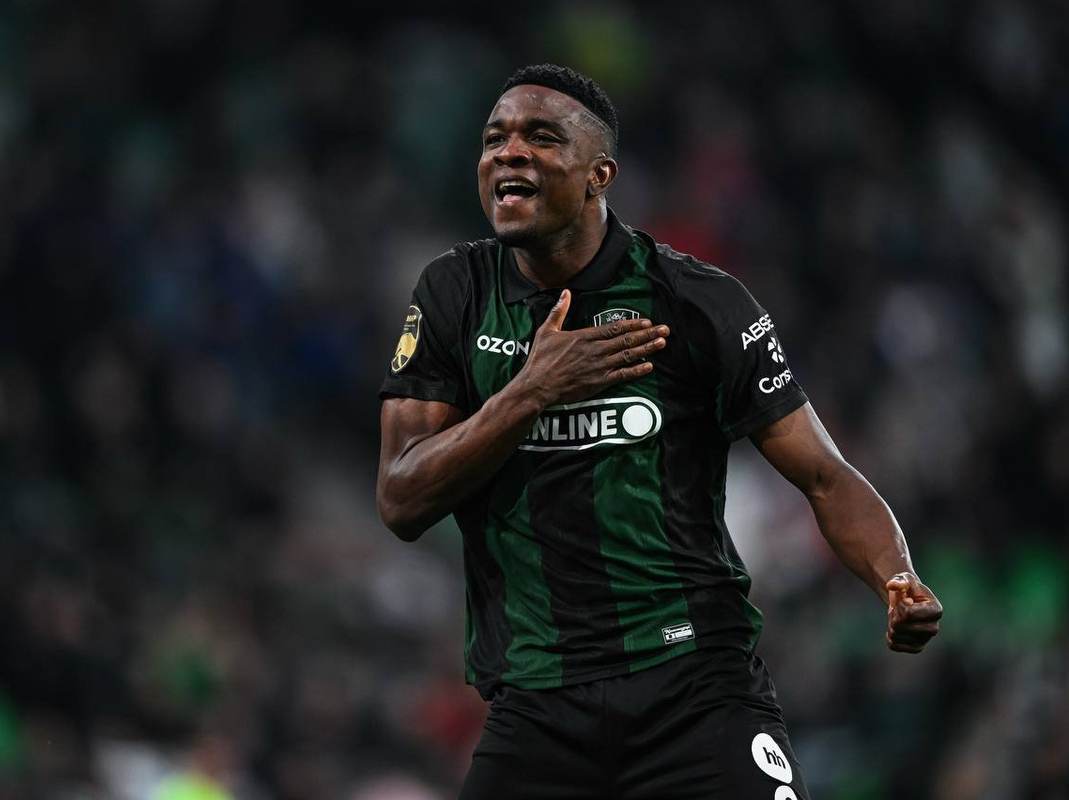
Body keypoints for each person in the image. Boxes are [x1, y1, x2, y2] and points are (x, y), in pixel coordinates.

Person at [376, 63, 942, 799]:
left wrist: (896, 576)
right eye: (494, 139)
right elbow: (401, 499)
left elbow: (824, 475)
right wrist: (531, 393)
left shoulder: (697, 303)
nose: (508, 152)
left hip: (695, 690)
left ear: (599, 175)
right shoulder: (454, 293)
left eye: (541, 137)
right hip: (536, 705)